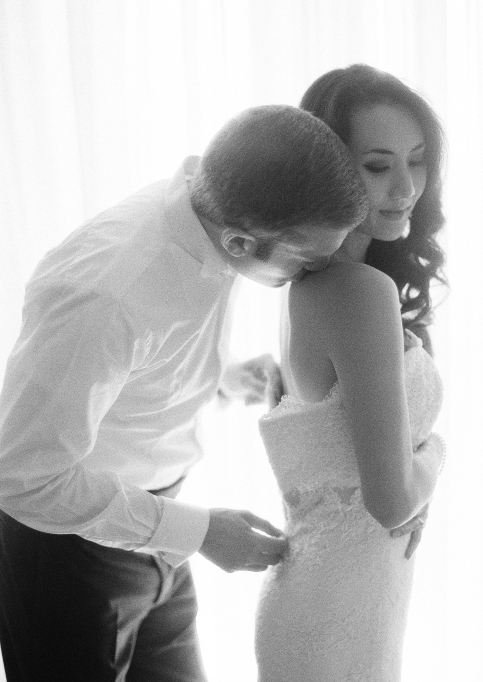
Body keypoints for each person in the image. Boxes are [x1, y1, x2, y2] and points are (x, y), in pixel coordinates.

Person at [0, 104, 368, 682]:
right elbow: (25, 480)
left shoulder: (214, 212)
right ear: (240, 243)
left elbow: (144, 351)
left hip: (159, 526)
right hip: (68, 554)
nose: (319, 272)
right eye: (309, 261)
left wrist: (222, 376)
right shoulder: (103, 296)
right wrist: (200, 532)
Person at [255, 65, 448, 681]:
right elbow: (390, 504)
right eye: (378, 166)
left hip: (341, 593)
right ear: (328, 172)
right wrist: (437, 454)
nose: (406, 187)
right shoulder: (359, 292)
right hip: (338, 606)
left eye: (417, 161)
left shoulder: (304, 284)